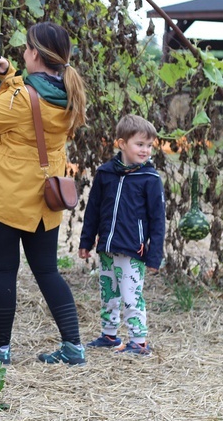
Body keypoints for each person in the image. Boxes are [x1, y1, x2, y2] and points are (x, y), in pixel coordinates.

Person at [0, 22, 88, 366]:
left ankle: (0, 352)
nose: (21, 52)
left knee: (4, 271)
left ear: (36, 53)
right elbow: (28, 107)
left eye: (26, 48)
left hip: (8, 198)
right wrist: (11, 75)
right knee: (47, 271)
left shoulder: (22, 99)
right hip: (44, 202)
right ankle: (73, 347)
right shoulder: (67, 94)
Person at [78, 114, 165, 356]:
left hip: (132, 248)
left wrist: (154, 255)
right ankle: (109, 335)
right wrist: (86, 241)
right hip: (106, 246)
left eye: (149, 145)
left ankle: (138, 341)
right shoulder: (105, 173)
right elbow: (93, 210)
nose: (145, 150)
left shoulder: (150, 179)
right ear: (121, 143)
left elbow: (158, 221)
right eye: (140, 144)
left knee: (130, 295)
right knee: (109, 292)